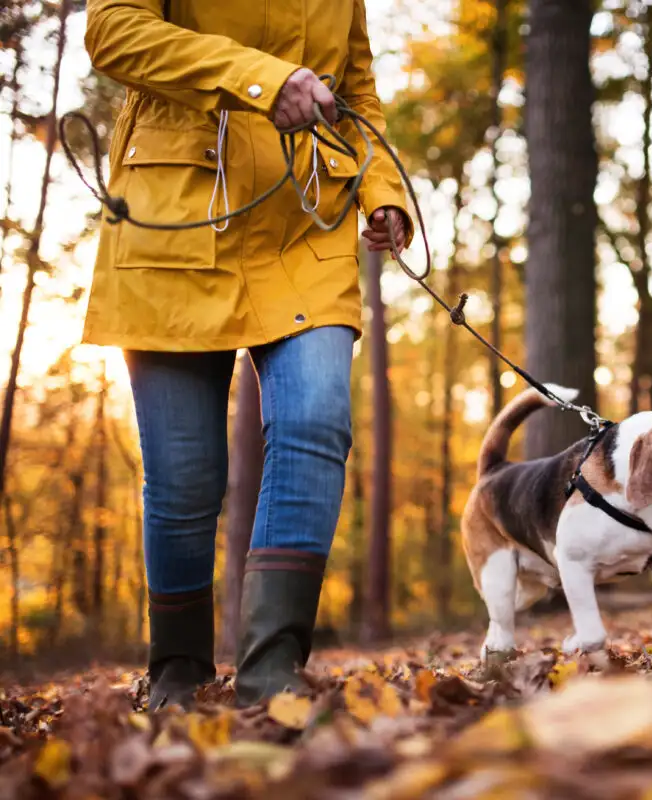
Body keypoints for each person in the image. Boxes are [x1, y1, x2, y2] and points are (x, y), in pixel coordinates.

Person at [81, 0, 412, 709]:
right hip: (176, 212)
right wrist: (262, 80)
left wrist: (381, 190)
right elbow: (112, 32)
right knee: (185, 479)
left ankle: (272, 670)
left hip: (305, 222)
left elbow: (356, 90)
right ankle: (177, 671)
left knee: (316, 421)